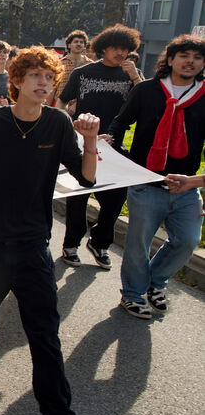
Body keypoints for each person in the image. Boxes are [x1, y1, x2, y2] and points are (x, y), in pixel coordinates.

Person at [0, 46, 98, 415]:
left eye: (49, 77)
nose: (44, 83)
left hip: (33, 244)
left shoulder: (58, 124)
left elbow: (86, 178)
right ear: (17, 81)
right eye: (36, 76)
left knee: (45, 333)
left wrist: (89, 139)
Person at [108, 34, 205, 319]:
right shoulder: (147, 90)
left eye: (198, 58)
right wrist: (110, 142)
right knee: (138, 243)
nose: (191, 62)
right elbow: (121, 121)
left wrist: (196, 182)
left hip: (186, 187)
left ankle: (156, 282)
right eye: (184, 55)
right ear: (170, 59)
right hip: (145, 182)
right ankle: (133, 294)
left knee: (187, 241)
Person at [54, 25, 141, 269]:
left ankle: (100, 242)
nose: (121, 53)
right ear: (103, 47)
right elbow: (61, 101)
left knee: (115, 199)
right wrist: (69, 128)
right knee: (78, 198)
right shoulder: (83, 73)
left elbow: (149, 101)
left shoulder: (131, 75)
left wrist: (135, 76)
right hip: (82, 144)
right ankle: (71, 244)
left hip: (115, 146)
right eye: (116, 48)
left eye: (126, 49)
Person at [52, 30, 92, 107]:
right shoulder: (60, 63)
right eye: (76, 42)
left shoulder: (90, 64)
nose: (79, 44)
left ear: (84, 46)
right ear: (69, 45)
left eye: (81, 42)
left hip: (82, 106)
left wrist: (75, 105)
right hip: (61, 106)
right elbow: (53, 87)